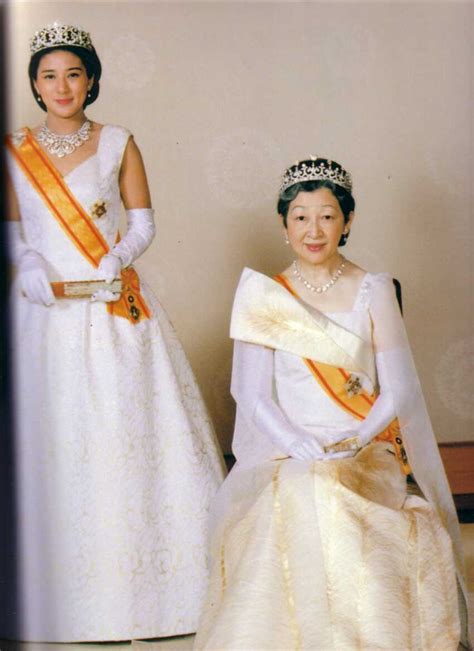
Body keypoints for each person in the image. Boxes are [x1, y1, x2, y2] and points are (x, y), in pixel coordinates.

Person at [4, 22, 225, 642]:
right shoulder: (13, 149)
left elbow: (144, 222)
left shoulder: (119, 142)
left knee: (124, 433)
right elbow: (14, 233)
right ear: (35, 85)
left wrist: (118, 256)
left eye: (73, 73)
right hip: (43, 310)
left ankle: (151, 599)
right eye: (49, 75)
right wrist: (25, 265)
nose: (62, 85)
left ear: (92, 79)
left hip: (110, 304)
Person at [194, 157, 469, 650]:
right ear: (284, 225)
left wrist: (356, 439)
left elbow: (399, 391)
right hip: (289, 450)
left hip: (365, 447)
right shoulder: (264, 296)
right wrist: (296, 441)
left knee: (320, 489)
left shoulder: (373, 290)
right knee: (302, 488)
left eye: (326, 215)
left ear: (347, 220)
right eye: (300, 217)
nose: (313, 230)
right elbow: (252, 395)